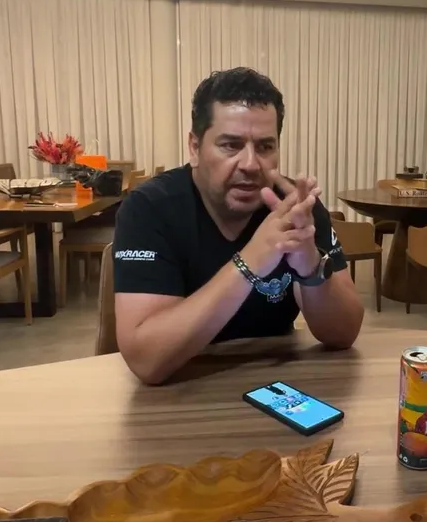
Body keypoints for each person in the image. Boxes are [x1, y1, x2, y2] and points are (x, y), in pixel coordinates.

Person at [112, 67, 365, 385]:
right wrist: (251, 262)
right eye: (230, 145)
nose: (250, 164)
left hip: (274, 385)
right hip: (182, 387)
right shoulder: (150, 208)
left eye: (265, 147)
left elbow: (343, 335)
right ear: (195, 147)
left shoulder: (297, 208)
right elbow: (146, 360)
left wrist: (310, 267)